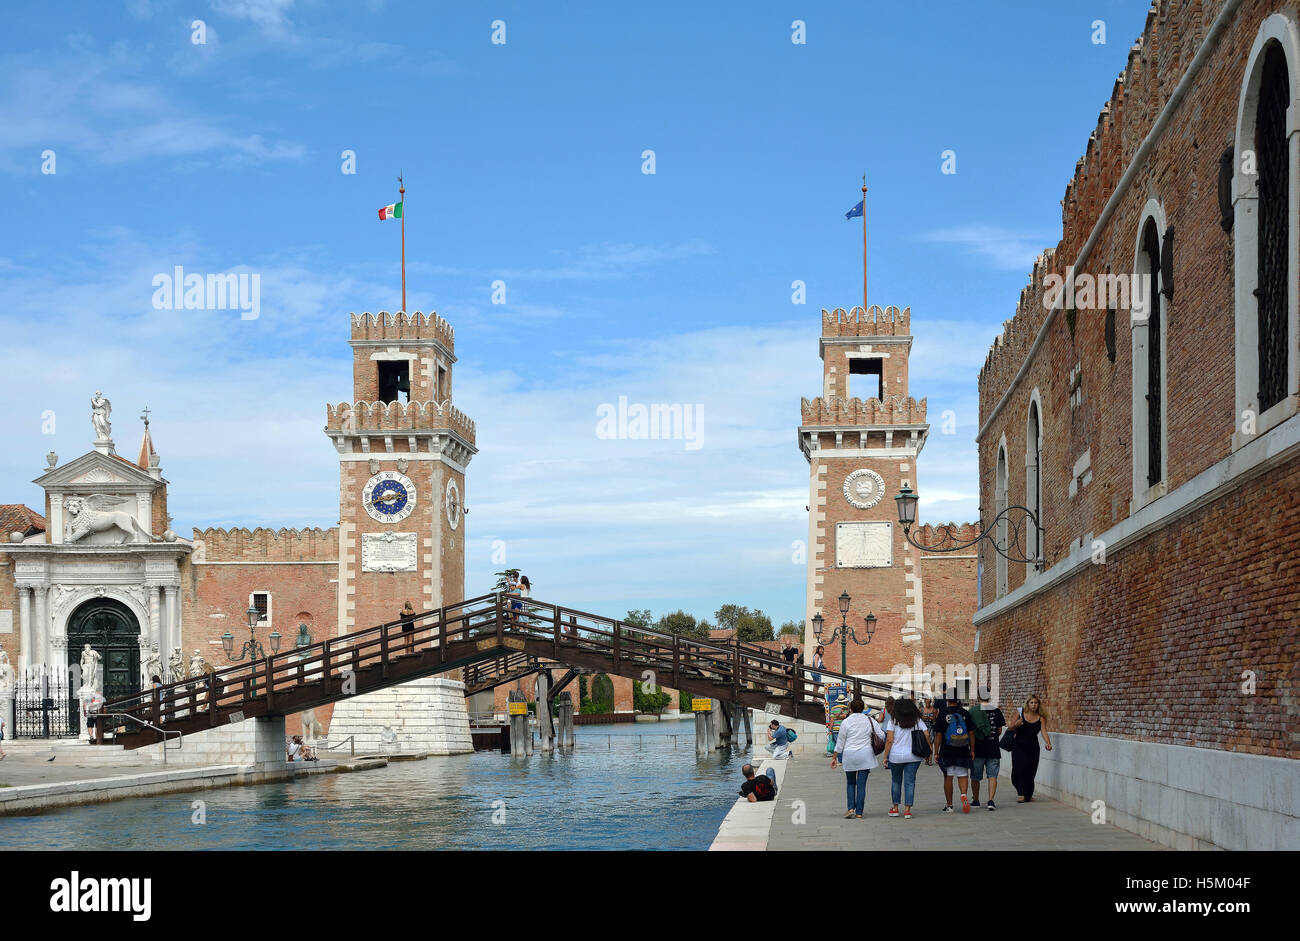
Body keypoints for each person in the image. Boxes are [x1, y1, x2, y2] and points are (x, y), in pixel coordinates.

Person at [831, 697, 882, 818]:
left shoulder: (846, 722)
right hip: (865, 755)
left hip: (850, 755)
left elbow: (840, 742)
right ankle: (859, 812)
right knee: (861, 785)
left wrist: (834, 757)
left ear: (851, 709)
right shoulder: (870, 720)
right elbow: (881, 735)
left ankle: (850, 809)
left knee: (850, 783)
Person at [882, 697, 928, 818]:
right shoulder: (917, 720)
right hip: (914, 755)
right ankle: (907, 810)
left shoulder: (893, 721)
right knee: (910, 782)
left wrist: (885, 756)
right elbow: (927, 734)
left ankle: (895, 808)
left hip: (896, 756)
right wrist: (928, 749)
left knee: (896, 781)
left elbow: (889, 740)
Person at [931, 690, 975, 813]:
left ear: (947, 700)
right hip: (963, 749)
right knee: (963, 774)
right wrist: (972, 750)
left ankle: (949, 806)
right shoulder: (965, 713)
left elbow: (938, 734)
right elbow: (971, 733)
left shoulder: (943, 714)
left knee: (948, 776)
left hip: (947, 750)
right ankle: (964, 795)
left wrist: (936, 752)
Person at [1006, 694, 1052, 802]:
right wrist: (1016, 724)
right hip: (1019, 746)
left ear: (1038, 705)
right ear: (1028, 704)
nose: (1034, 705)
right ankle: (1021, 793)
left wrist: (1048, 743)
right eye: (1031, 703)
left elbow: (1044, 731)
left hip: (1033, 747)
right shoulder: (1020, 713)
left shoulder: (1041, 717)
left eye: (1036, 703)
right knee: (1018, 770)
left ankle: (1028, 794)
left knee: (1031, 771)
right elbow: (1010, 727)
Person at [968, 686, 1006, 810]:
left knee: (975, 776)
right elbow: (999, 730)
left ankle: (976, 800)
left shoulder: (973, 711)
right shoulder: (996, 711)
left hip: (977, 748)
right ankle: (990, 801)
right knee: (992, 775)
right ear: (989, 696)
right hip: (993, 747)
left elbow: (971, 731)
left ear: (978, 696)